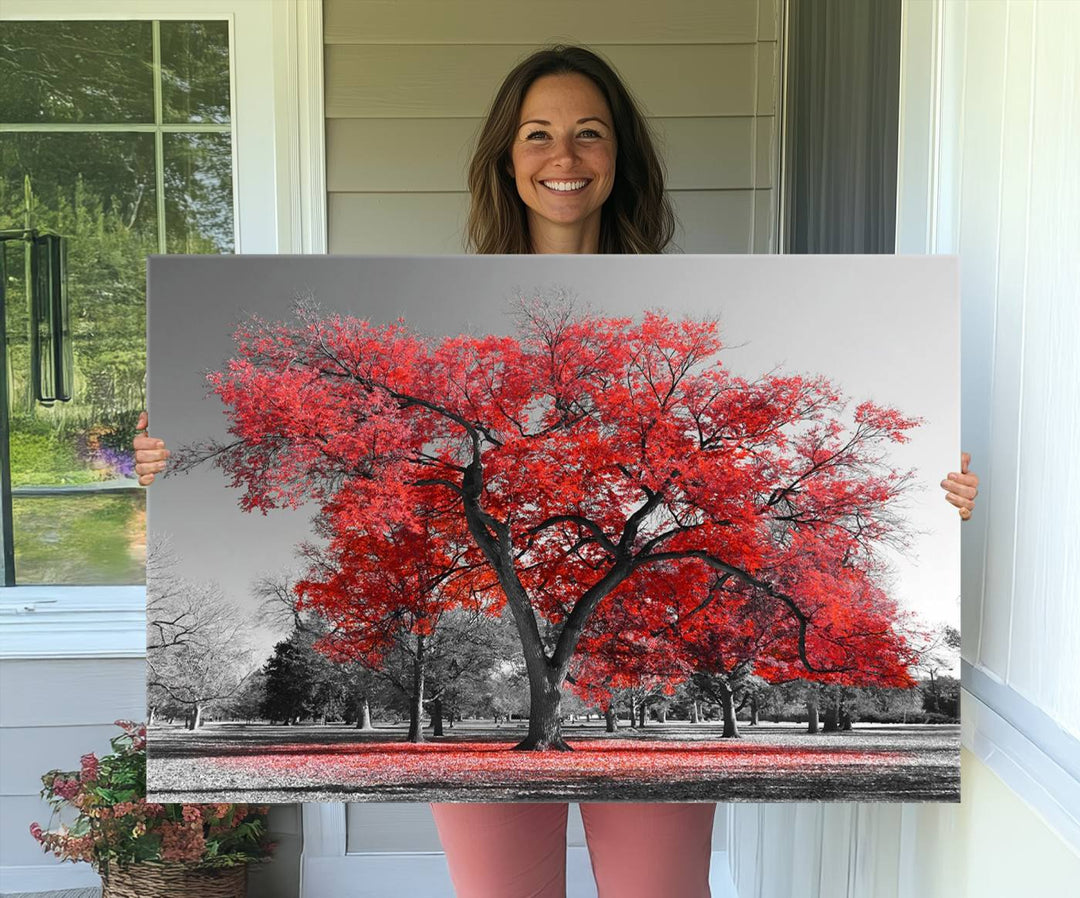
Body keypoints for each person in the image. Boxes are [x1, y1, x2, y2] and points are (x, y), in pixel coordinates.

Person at [133, 45, 979, 898]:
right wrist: (160, 471)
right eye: (537, 134)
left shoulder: (695, 305)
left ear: (620, 157)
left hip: (611, 596)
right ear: (507, 156)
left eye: (589, 134)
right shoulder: (443, 309)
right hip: (499, 620)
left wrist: (941, 494)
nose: (563, 157)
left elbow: (762, 477)